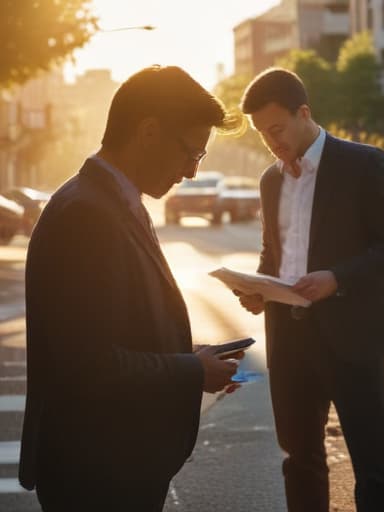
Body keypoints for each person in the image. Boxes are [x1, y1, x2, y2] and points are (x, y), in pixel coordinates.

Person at [19, 65, 241, 512]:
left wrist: (192, 357)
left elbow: (116, 329)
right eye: (192, 155)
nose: (191, 173)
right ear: (149, 131)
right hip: (98, 470)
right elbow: (88, 365)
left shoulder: (110, 201)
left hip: (115, 463)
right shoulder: (86, 214)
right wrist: (191, 371)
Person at [237, 68, 384, 512]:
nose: (271, 141)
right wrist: (257, 288)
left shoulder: (363, 163)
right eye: (262, 134)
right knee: (300, 462)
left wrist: (336, 277)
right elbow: (271, 253)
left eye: (276, 129)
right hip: (290, 341)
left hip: (352, 336)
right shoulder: (269, 180)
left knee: (372, 464)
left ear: (304, 113)